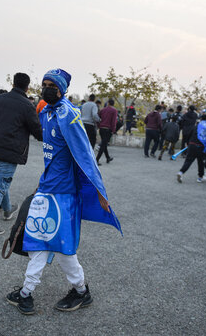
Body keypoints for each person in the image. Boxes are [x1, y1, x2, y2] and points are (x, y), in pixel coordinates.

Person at [6, 68, 121, 315]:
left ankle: (79, 291)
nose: (46, 88)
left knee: (61, 246)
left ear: (62, 89)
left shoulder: (68, 115)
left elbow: (85, 154)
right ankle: (27, 293)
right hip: (47, 189)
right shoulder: (46, 113)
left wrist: (100, 191)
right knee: (38, 241)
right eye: (43, 83)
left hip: (63, 194)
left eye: (51, 85)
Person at [0, 72, 42, 235]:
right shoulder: (27, 105)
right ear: (27, 87)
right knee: (0, 186)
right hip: (9, 152)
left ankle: (7, 210)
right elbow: (37, 131)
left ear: (13, 84)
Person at [177, 114, 206, 183]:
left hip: (192, 144)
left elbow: (189, 134)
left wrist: (188, 143)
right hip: (201, 146)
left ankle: (181, 172)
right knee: (201, 162)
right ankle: (200, 177)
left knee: (188, 161)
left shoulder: (197, 126)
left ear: (201, 119)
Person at [96, 99, 117, 165]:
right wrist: (113, 130)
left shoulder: (103, 110)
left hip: (101, 129)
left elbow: (97, 117)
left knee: (104, 144)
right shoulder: (114, 111)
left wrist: (99, 125)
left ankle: (108, 157)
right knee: (103, 145)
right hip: (108, 130)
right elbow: (113, 121)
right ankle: (96, 160)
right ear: (113, 104)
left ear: (108, 103)